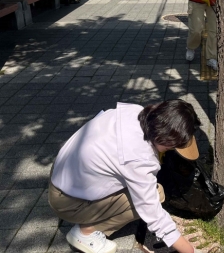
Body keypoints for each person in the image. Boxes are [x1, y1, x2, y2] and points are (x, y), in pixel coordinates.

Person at [48, 100, 203, 253]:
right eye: (172, 147)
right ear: (165, 140)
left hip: (62, 175)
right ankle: (86, 233)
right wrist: (189, 250)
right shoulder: (138, 158)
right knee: (156, 193)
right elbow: (153, 214)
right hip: (67, 201)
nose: (171, 150)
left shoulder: (135, 112)